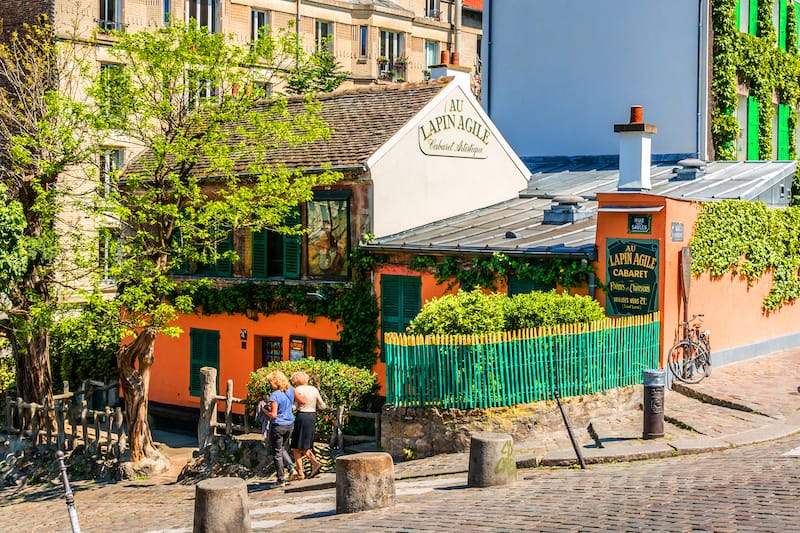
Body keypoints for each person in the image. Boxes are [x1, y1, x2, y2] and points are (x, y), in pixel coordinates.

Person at [290, 371, 327, 479]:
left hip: (302, 416)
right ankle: (303, 471)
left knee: (296, 446)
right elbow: (322, 406)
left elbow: (295, 406)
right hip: (312, 416)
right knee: (305, 443)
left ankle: (311, 465)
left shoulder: (297, 390)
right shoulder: (314, 389)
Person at [265, 370, 299, 486]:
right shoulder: (291, 390)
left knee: (277, 453)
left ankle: (281, 479)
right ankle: (291, 468)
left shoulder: (274, 395)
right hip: (290, 424)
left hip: (278, 425)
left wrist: (264, 410)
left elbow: (273, 414)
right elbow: (299, 402)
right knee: (282, 448)